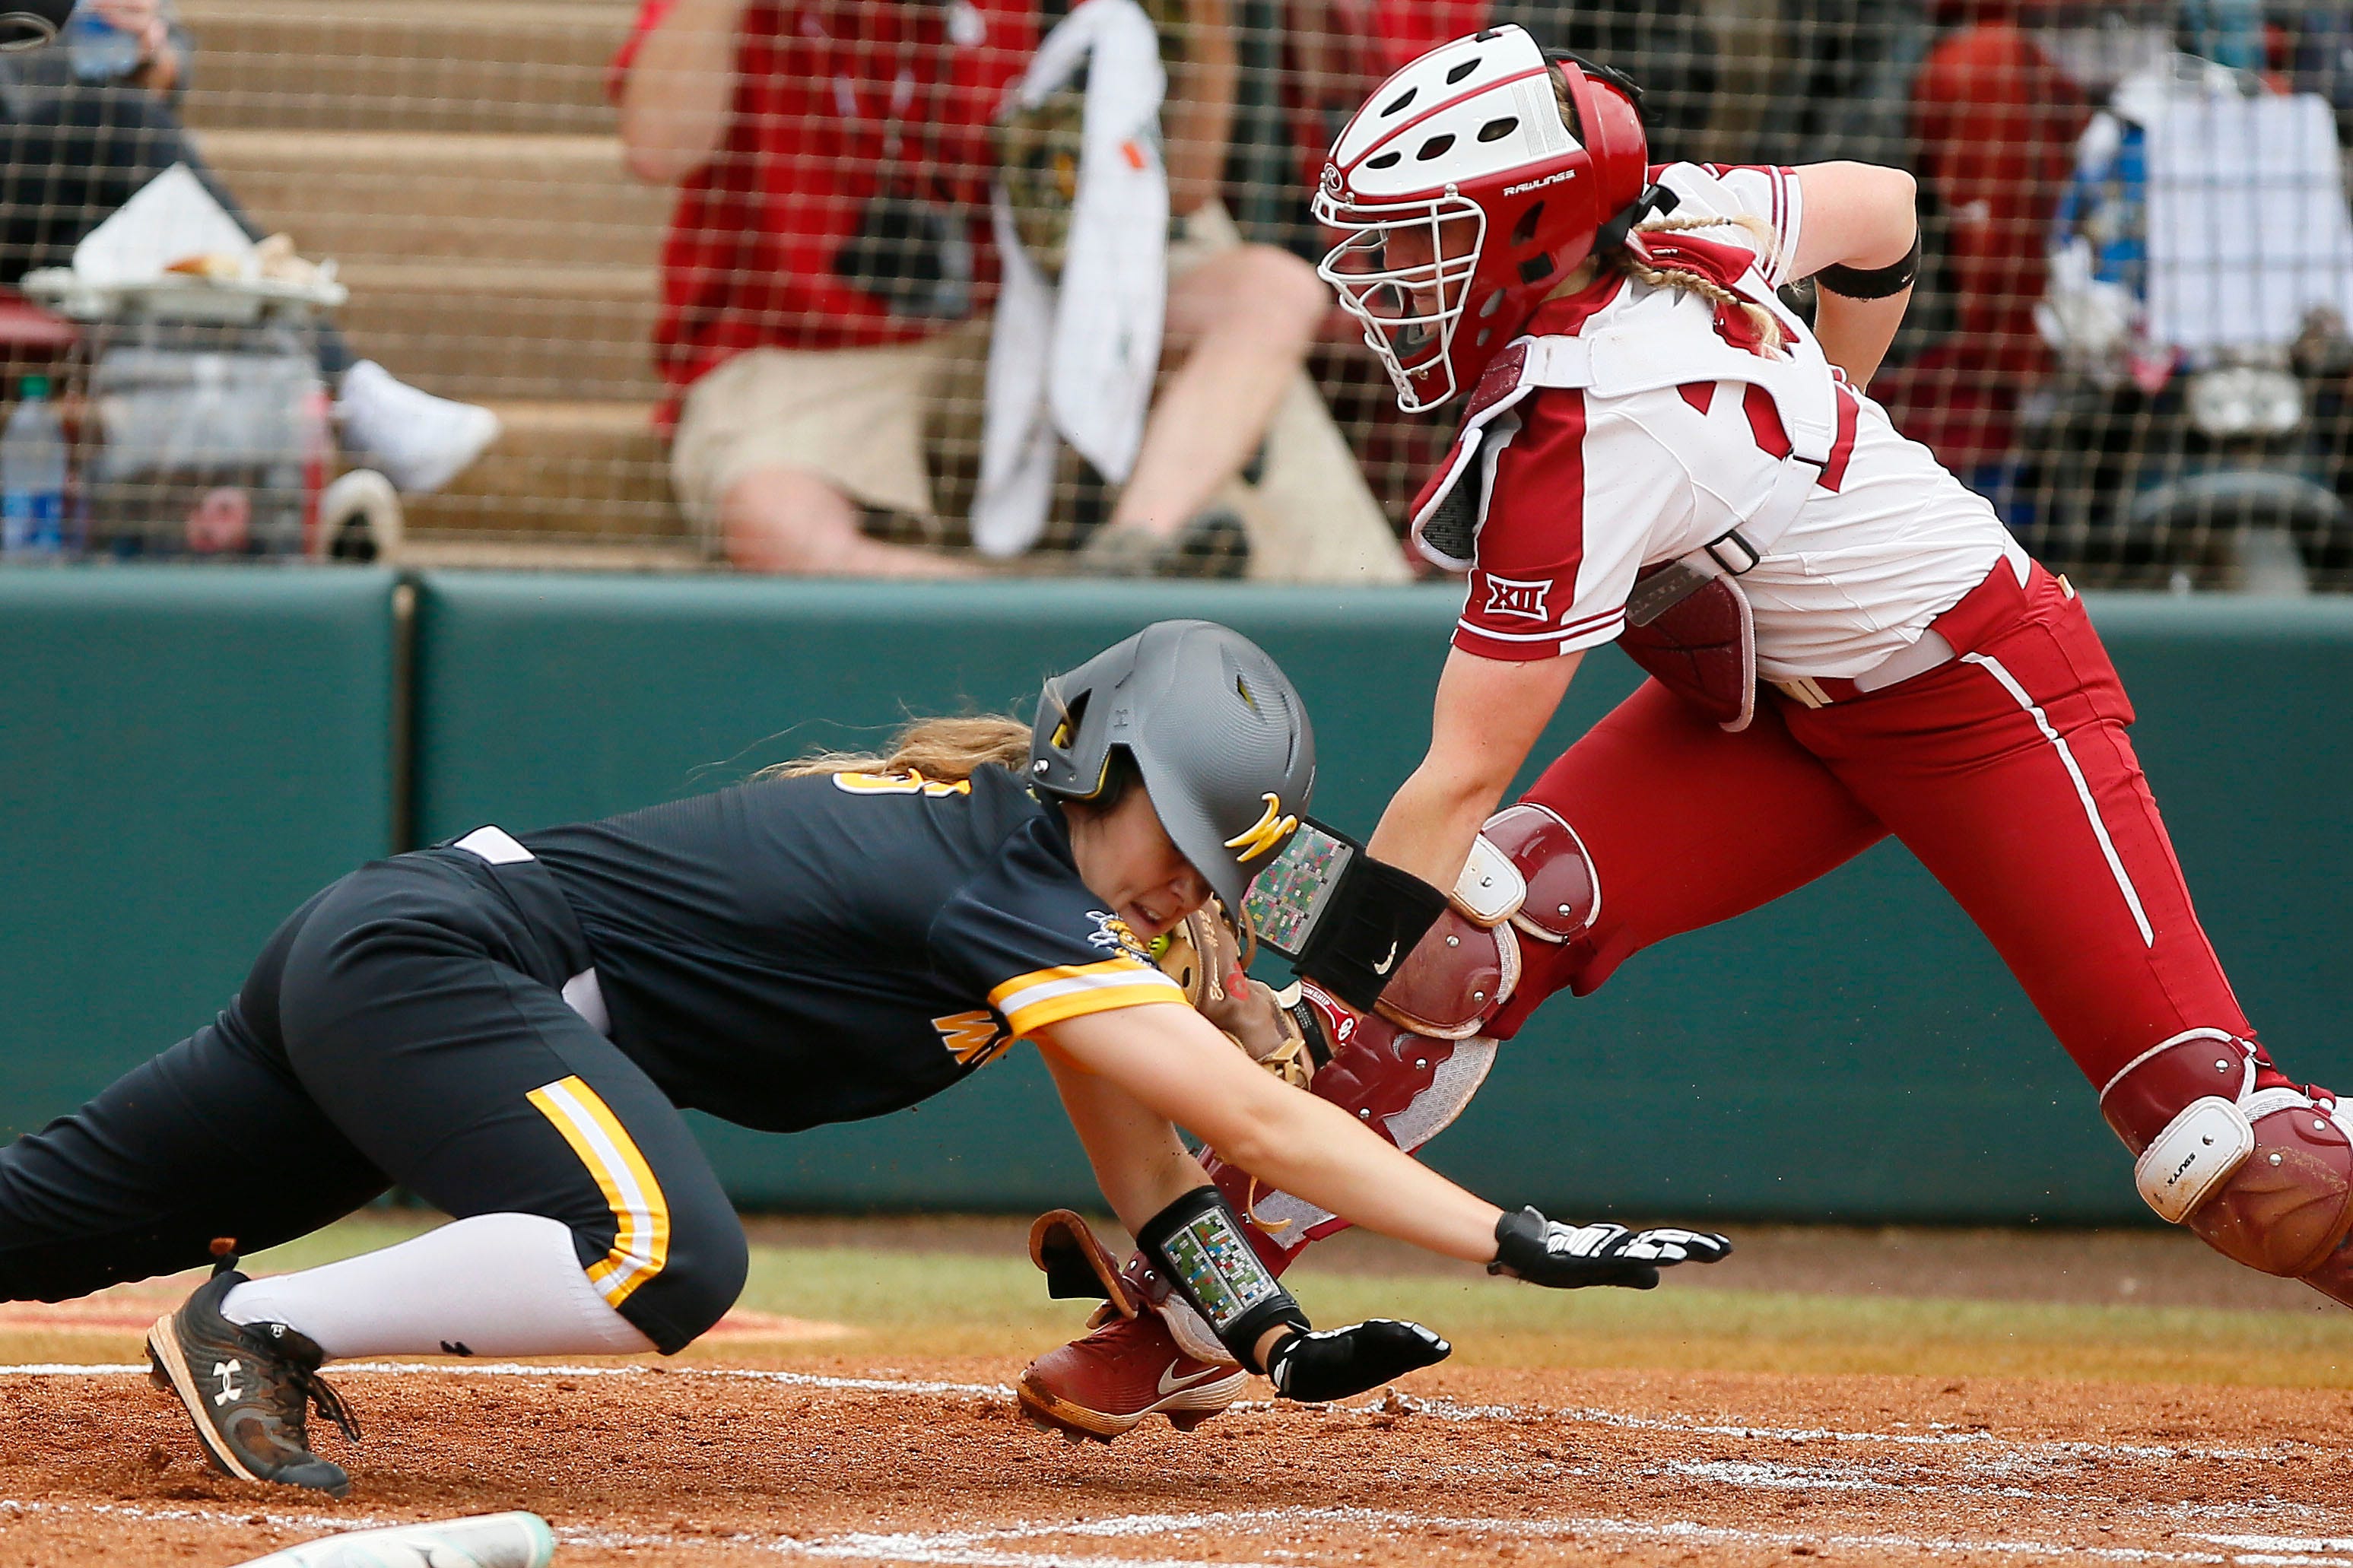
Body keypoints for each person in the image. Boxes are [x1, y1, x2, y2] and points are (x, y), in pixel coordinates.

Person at [1015, 26, 2353, 1440]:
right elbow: (1882, 211)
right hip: (1765, 702)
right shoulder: (1682, 209)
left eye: (1420, 248)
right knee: (1468, 945)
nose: (1384, 289)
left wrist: (1317, 996)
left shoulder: (1589, 425)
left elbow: (1456, 777)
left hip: (1976, 690)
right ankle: (1191, 1314)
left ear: (1527, 235)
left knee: (2227, 1156)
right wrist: (1833, 404)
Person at [0, 619, 1729, 1496]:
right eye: (1188, 850)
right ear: (1110, 773)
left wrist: (1273, 1336)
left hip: (406, 961)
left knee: (40, 1225)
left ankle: (238, 1310)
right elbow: (1259, 1104)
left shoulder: (1034, 892)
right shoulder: (1012, 892)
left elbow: (1152, 1172)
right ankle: (258, 1324)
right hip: (445, 965)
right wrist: (1518, 1236)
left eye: (1219, 874)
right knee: (665, 1256)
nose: (1191, 895)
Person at [612, 0, 1386, 579]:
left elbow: (1181, 193)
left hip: (1038, 321)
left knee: (1270, 290)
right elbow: (658, 146)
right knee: (770, 519)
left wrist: (1205, 27)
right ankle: (1011, 619)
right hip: (803, 335)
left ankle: (1133, 549)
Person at [0, 0, 501, 495]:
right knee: (118, 128)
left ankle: (235, 502)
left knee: (135, 238)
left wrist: (150, 58)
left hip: (57, 195)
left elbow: (156, 93)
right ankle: (351, 398)